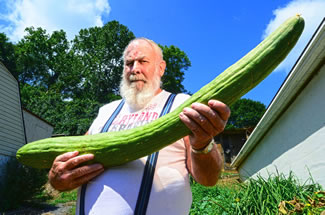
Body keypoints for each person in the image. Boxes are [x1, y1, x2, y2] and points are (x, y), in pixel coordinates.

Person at [48, 38, 230, 214]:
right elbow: (73, 164)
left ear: (161, 68)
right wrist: (57, 180)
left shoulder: (181, 105)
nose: (135, 69)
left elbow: (208, 179)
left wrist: (203, 143)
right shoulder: (105, 112)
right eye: (129, 63)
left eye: (143, 61)